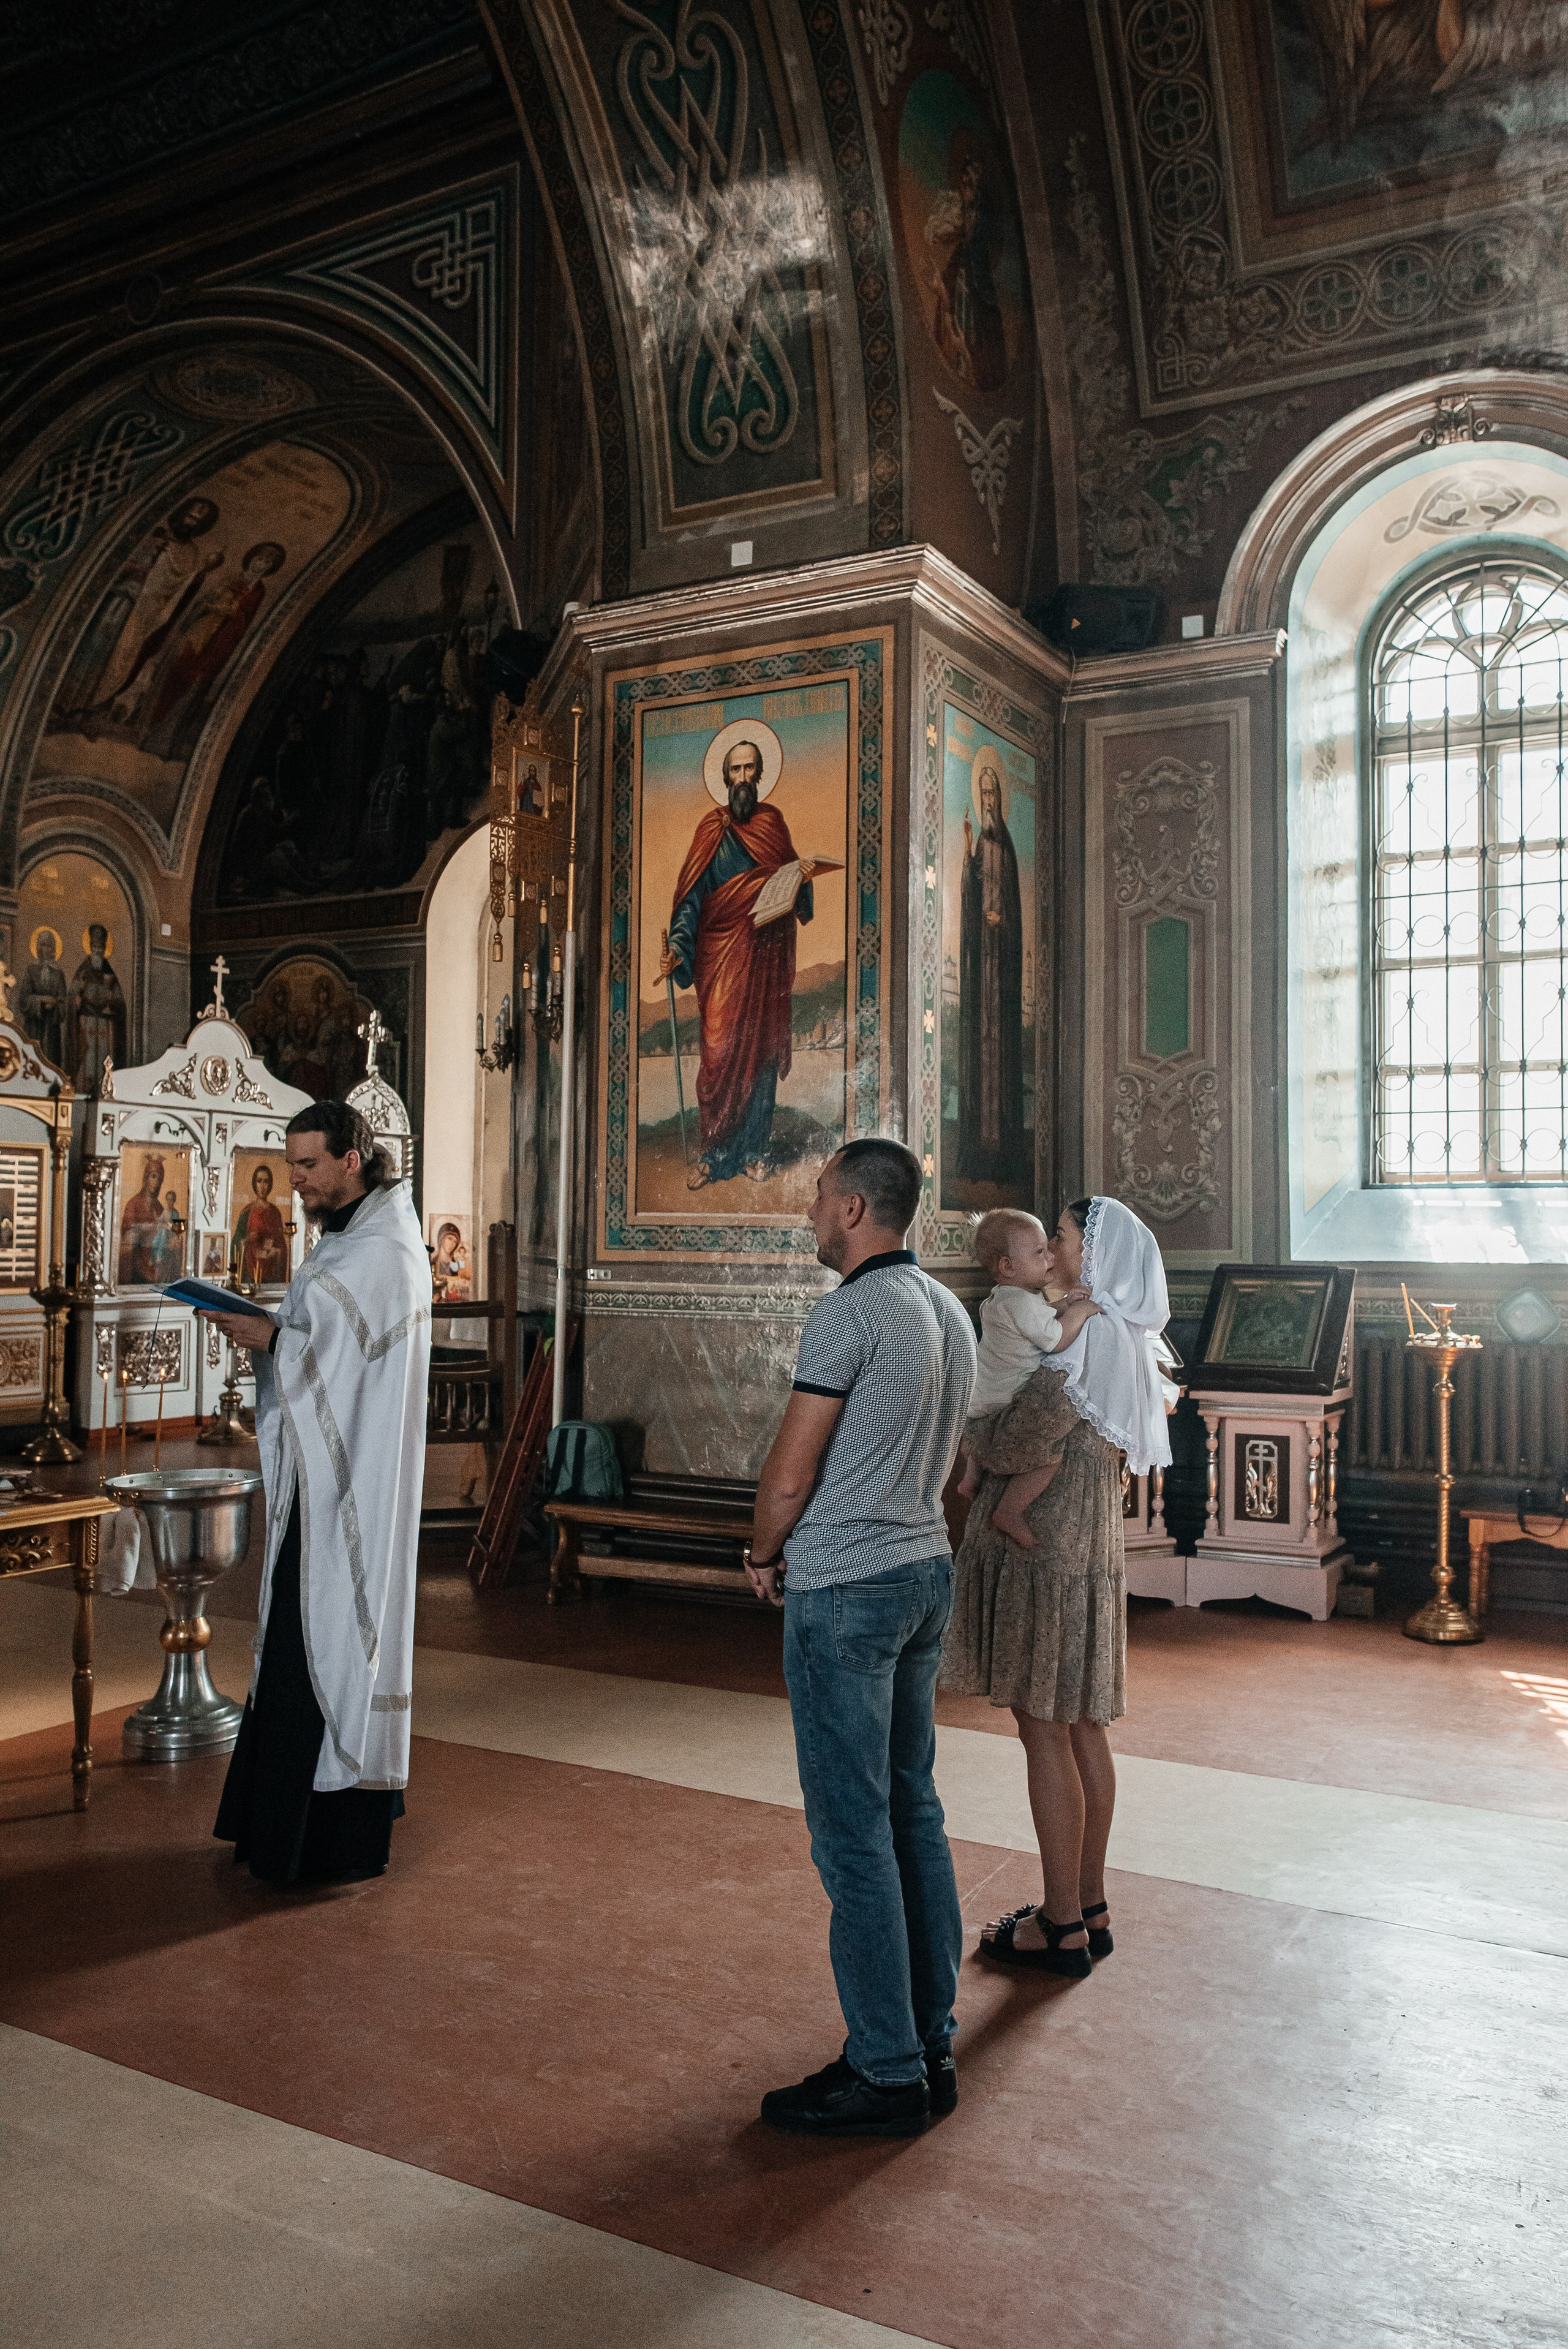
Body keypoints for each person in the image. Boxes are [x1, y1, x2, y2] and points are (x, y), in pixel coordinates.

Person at [746, 1137, 976, 2138]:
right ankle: (928, 2039)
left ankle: (884, 2071)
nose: (809, 1215)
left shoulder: (849, 1313)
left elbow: (792, 1473)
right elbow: (956, 1468)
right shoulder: (949, 1313)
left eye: (818, 1199)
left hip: (844, 1587)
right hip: (925, 1572)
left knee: (853, 1835)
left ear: (852, 1210)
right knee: (911, 1814)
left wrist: (763, 1551)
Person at [941, 1196, 1172, 1975]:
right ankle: (1091, 1903)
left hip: (1048, 1556)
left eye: (1066, 1238)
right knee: (1083, 1728)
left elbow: (1017, 1439)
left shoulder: (1080, 1342)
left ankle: (1061, 1922)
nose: (1056, 1249)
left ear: (1095, 1253)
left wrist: (974, 1439)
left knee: (1044, 1730)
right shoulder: (1118, 1333)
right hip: (1085, 1547)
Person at [205, 1101, 431, 1887]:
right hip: (322, 1471)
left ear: (353, 1159)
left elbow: (343, 1362)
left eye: (308, 1165)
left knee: (327, 1632)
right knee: (297, 1632)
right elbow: (329, 1348)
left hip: (354, 1487)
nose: (295, 1179)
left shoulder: (386, 1251)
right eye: (292, 1164)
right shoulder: (353, 1237)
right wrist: (278, 1336)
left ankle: (324, 1839)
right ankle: (279, 1827)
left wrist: (273, 1339)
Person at [657, 736, 823, 1188]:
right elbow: (691, 898)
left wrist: (801, 881)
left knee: (763, 1051)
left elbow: (792, 883)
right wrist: (677, 944)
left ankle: (754, 1149)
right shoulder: (711, 829)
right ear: (725, 777)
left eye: (751, 769)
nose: (744, 778)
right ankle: (716, 1152)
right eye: (736, 770)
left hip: (765, 959)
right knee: (720, 1053)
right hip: (722, 959)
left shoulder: (773, 823)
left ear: (761, 774)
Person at [956, 1207, 1100, 1547]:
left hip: (980, 1395)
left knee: (981, 1432)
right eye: (1039, 1252)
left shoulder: (1004, 1298)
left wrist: (1063, 1303)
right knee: (1047, 1458)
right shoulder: (1021, 1304)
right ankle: (1010, 1510)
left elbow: (1038, 1317)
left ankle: (971, 1477)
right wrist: (1079, 1311)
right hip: (1005, 1396)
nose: (1050, 1254)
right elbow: (1055, 1338)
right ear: (1008, 1266)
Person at [957, 755, 1025, 1183]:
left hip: (1002, 975)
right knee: (980, 1058)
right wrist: (965, 849)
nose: (987, 801)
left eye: (992, 794)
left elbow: (1013, 907)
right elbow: (970, 895)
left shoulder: (1008, 849)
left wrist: (1004, 922)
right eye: (982, 794)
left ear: (1000, 800)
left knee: (1000, 1060)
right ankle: (979, 1156)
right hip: (981, 974)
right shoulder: (982, 846)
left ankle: (1002, 1157)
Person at [67, 923, 127, 1095]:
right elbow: (73, 998)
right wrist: (78, 1000)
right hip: (85, 1025)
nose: (98, 951)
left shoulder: (110, 974)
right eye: (94, 947)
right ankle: (80, 1091)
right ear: (90, 948)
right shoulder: (83, 972)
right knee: (85, 1063)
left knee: (104, 1062)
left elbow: (119, 1002)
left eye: (101, 947)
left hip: (106, 1028)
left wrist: (112, 1004)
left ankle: (105, 1092)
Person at [232, 1162, 288, 1285]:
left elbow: (282, 1244)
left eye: (266, 1182)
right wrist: (246, 1241)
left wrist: (276, 1251)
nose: (263, 1186)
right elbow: (236, 1242)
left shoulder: (275, 1212)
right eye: (259, 1181)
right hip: (250, 1271)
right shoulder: (247, 1212)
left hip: (271, 1273)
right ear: (254, 1183)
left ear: (270, 1184)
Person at [18, 929, 67, 1066]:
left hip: (52, 1028)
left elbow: (63, 1003)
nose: (44, 949)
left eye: (47, 945)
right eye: (41, 945)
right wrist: (40, 1001)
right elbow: (23, 999)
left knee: (51, 1061)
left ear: (53, 949)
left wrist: (56, 1005)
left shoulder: (59, 974)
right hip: (34, 1027)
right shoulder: (32, 970)